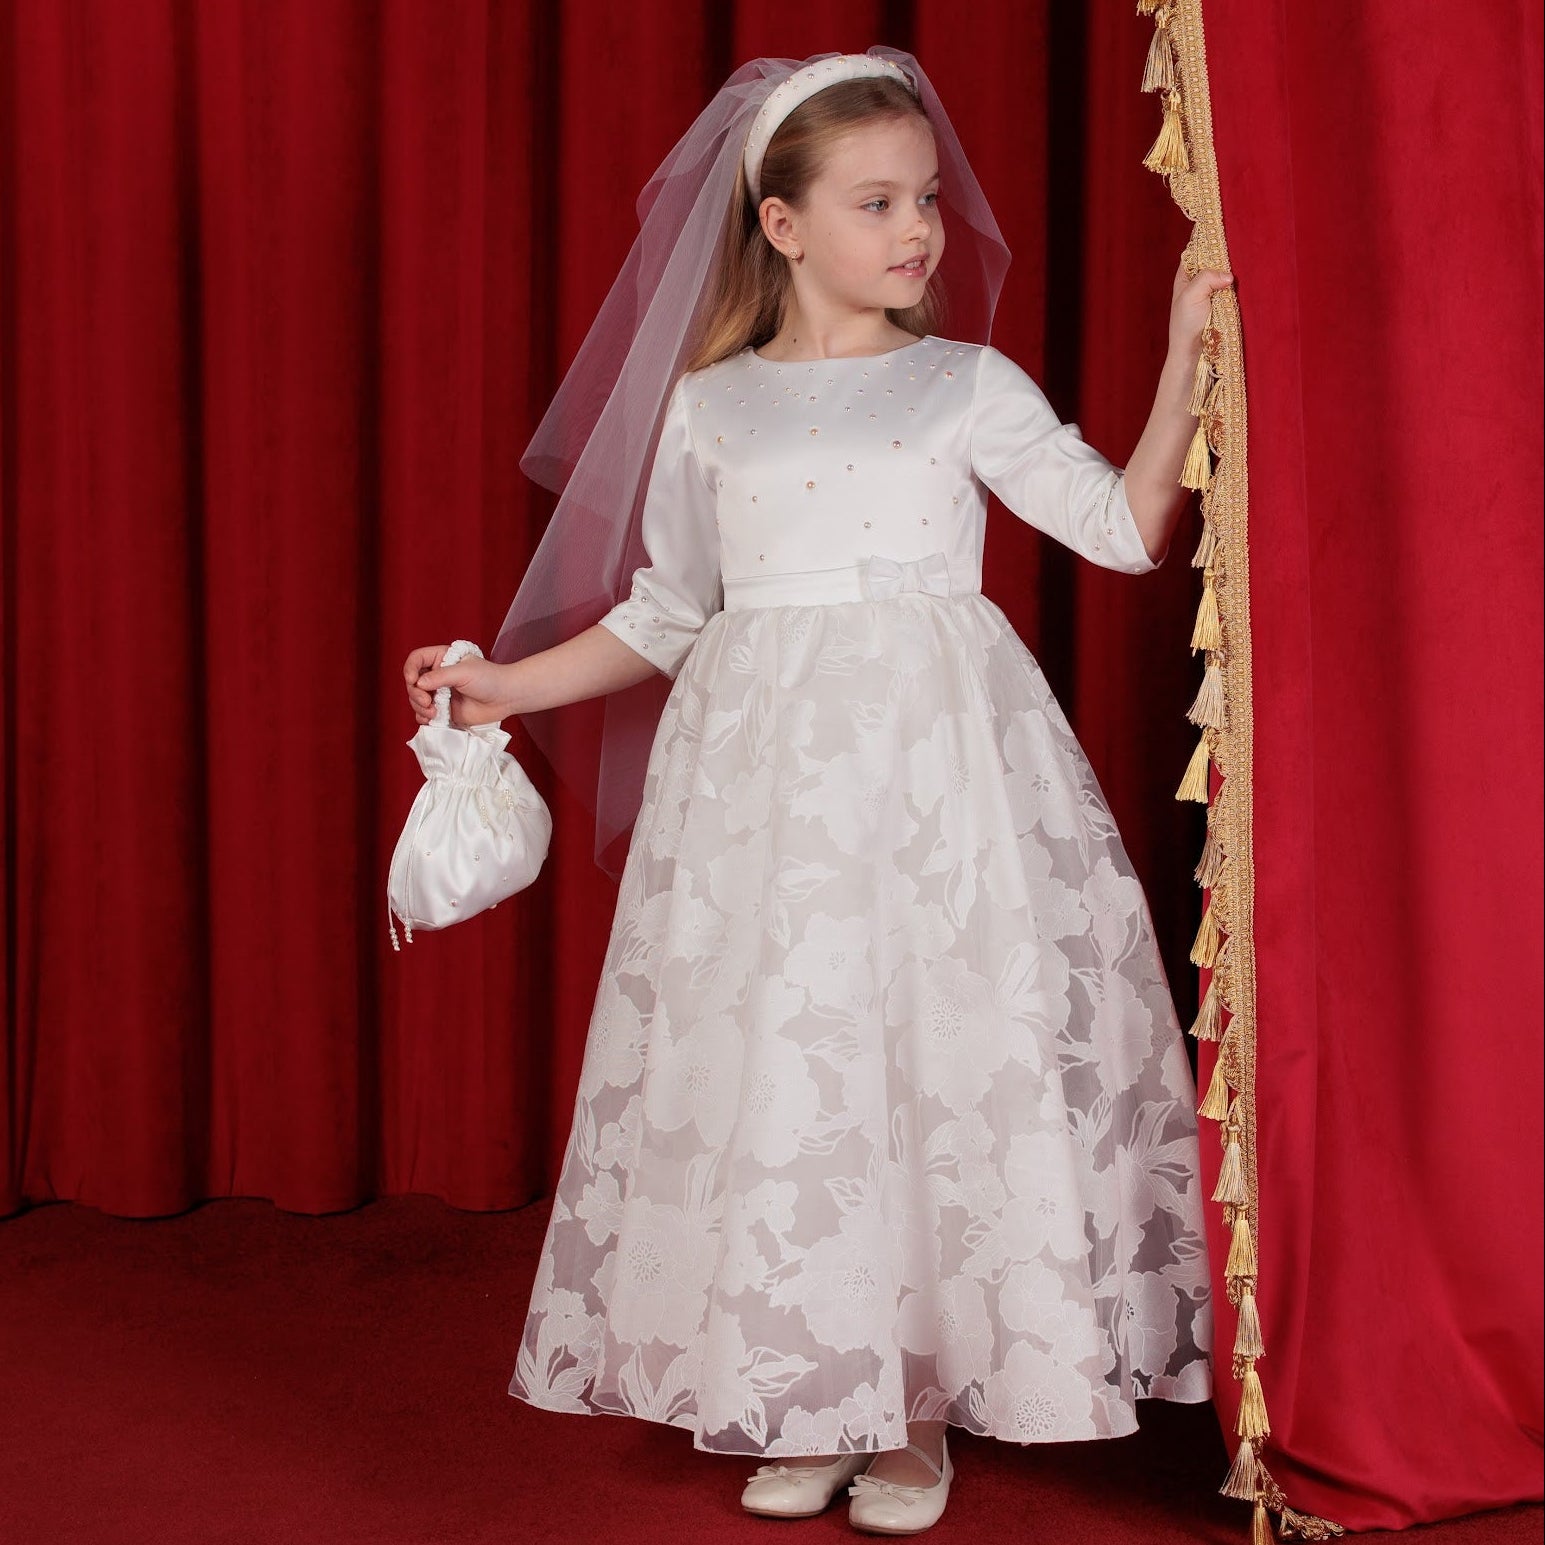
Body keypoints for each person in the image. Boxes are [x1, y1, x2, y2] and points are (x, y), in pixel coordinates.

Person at [403, 49, 1231, 1536]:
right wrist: (504, 686)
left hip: (938, 784)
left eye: (920, 198)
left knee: (929, 1047)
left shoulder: (962, 384)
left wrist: (1181, 363)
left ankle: (910, 1409)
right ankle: (809, 1383)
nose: (914, 228)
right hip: (761, 797)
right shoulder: (713, 406)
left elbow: (1115, 529)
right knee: (792, 1062)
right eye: (874, 201)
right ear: (780, 225)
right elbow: (664, 610)